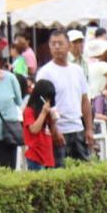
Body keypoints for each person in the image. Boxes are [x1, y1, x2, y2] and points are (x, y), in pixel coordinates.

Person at [37, 30, 93, 164]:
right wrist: (54, 129)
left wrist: (89, 129)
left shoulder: (77, 70)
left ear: (68, 46)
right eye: (53, 44)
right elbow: (44, 105)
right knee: (59, 173)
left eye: (60, 43)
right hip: (58, 131)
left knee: (83, 171)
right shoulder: (45, 73)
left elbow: (85, 101)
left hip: (78, 128)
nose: (57, 47)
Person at [21, 79, 58, 171]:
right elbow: (34, 129)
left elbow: (53, 134)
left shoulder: (47, 113)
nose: (48, 101)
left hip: (48, 157)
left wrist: (53, 121)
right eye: (46, 98)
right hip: (35, 156)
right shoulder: (29, 111)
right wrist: (43, 113)